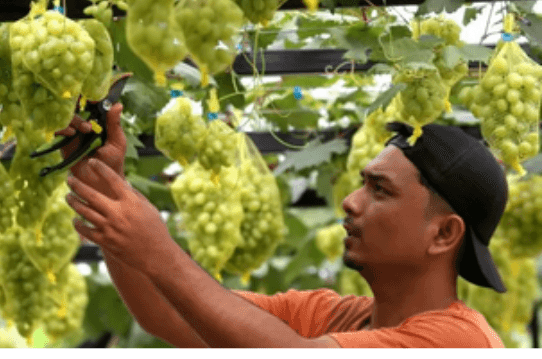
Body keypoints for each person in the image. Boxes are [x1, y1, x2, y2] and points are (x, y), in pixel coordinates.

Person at [59, 105, 509, 348]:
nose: (350, 202)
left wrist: (159, 249)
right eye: (360, 184)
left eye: (380, 190)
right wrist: (103, 186)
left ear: (444, 234)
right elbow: (165, 313)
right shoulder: (330, 315)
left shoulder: (460, 340)